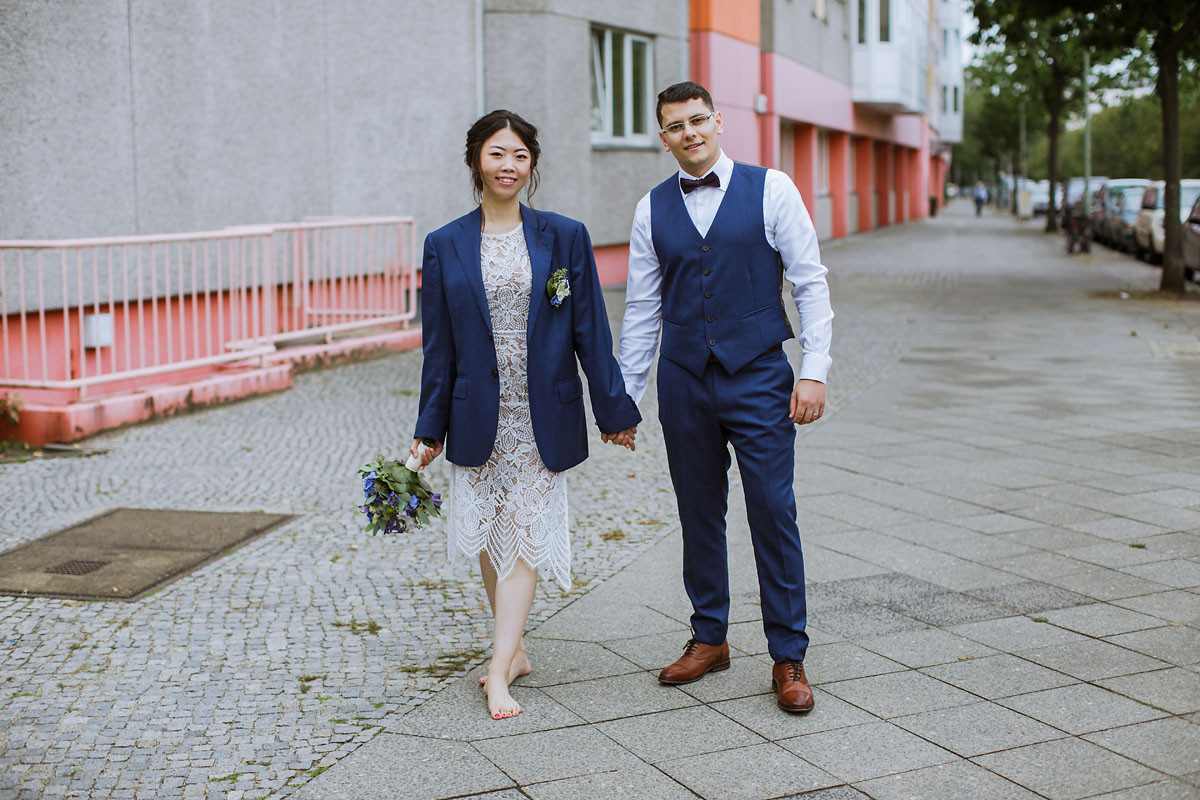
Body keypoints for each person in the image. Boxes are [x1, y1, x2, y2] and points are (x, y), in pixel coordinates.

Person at [411, 110, 640, 720]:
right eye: (496, 154)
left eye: (518, 155)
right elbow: (440, 348)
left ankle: (497, 669)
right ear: (474, 162)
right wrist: (428, 429)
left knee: (523, 531)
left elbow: (590, 327)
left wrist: (613, 409)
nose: (508, 165)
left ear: (531, 163)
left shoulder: (563, 237)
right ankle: (514, 651)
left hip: (543, 412)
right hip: (477, 411)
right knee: (491, 532)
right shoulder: (444, 244)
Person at [618, 82, 833, 714]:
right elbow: (640, 312)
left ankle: (787, 654)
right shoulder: (649, 209)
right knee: (697, 511)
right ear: (662, 137)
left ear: (719, 122)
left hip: (760, 374)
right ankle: (709, 637)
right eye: (675, 126)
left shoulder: (772, 189)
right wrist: (625, 398)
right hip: (684, 380)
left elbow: (810, 282)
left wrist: (813, 370)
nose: (689, 133)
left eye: (698, 120)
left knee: (772, 509)